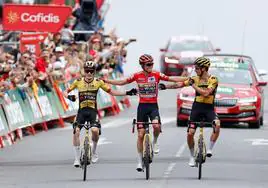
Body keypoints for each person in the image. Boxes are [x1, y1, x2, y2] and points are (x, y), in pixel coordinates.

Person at [103, 54, 187, 171]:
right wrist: (107, 81)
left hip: (153, 107)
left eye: (152, 64)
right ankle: (139, 160)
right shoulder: (137, 75)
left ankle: (155, 142)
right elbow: (122, 82)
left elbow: (172, 78)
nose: (151, 66)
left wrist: (187, 79)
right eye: (148, 64)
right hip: (142, 107)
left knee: (156, 126)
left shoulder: (156, 74)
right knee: (141, 134)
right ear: (143, 66)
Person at [64, 60, 137, 167]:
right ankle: (76, 159)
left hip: (93, 111)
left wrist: (127, 92)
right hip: (81, 112)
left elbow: (112, 92)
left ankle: (93, 152)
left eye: (91, 71)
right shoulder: (78, 81)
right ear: (84, 71)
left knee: (94, 130)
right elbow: (65, 92)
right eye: (87, 71)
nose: (89, 73)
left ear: (94, 72)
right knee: (76, 132)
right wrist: (69, 96)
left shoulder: (98, 82)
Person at [159, 57, 221, 167]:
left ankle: (210, 149)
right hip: (197, 108)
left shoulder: (213, 79)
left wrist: (193, 85)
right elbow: (179, 84)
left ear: (204, 69)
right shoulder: (194, 78)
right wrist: (165, 86)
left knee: (217, 125)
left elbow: (206, 93)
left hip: (209, 109)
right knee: (190, 133)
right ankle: (192, 156)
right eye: (195, 68)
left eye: (197, 68)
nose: (195, 70)